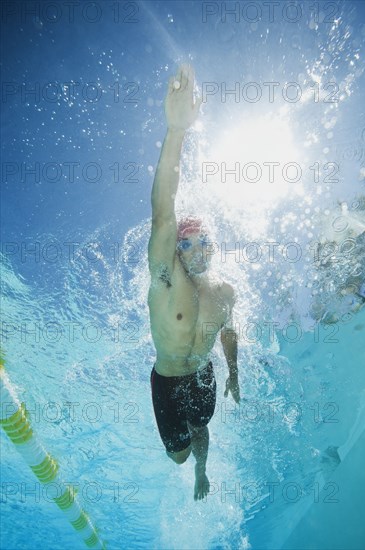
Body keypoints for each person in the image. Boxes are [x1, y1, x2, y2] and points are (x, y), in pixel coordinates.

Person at [148, 64, 240, 501]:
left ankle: (204, 471)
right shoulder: (166, 280)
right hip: (167, 378)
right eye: (188, 242)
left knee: (201, 429)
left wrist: (234, 373)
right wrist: (177, 131)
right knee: (177, 455)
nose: (198, 248)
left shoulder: (225, 293)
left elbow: (229, 331)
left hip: (202, 376)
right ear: (176, 249)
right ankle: (191, 465)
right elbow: (163, 209)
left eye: (206, 241)